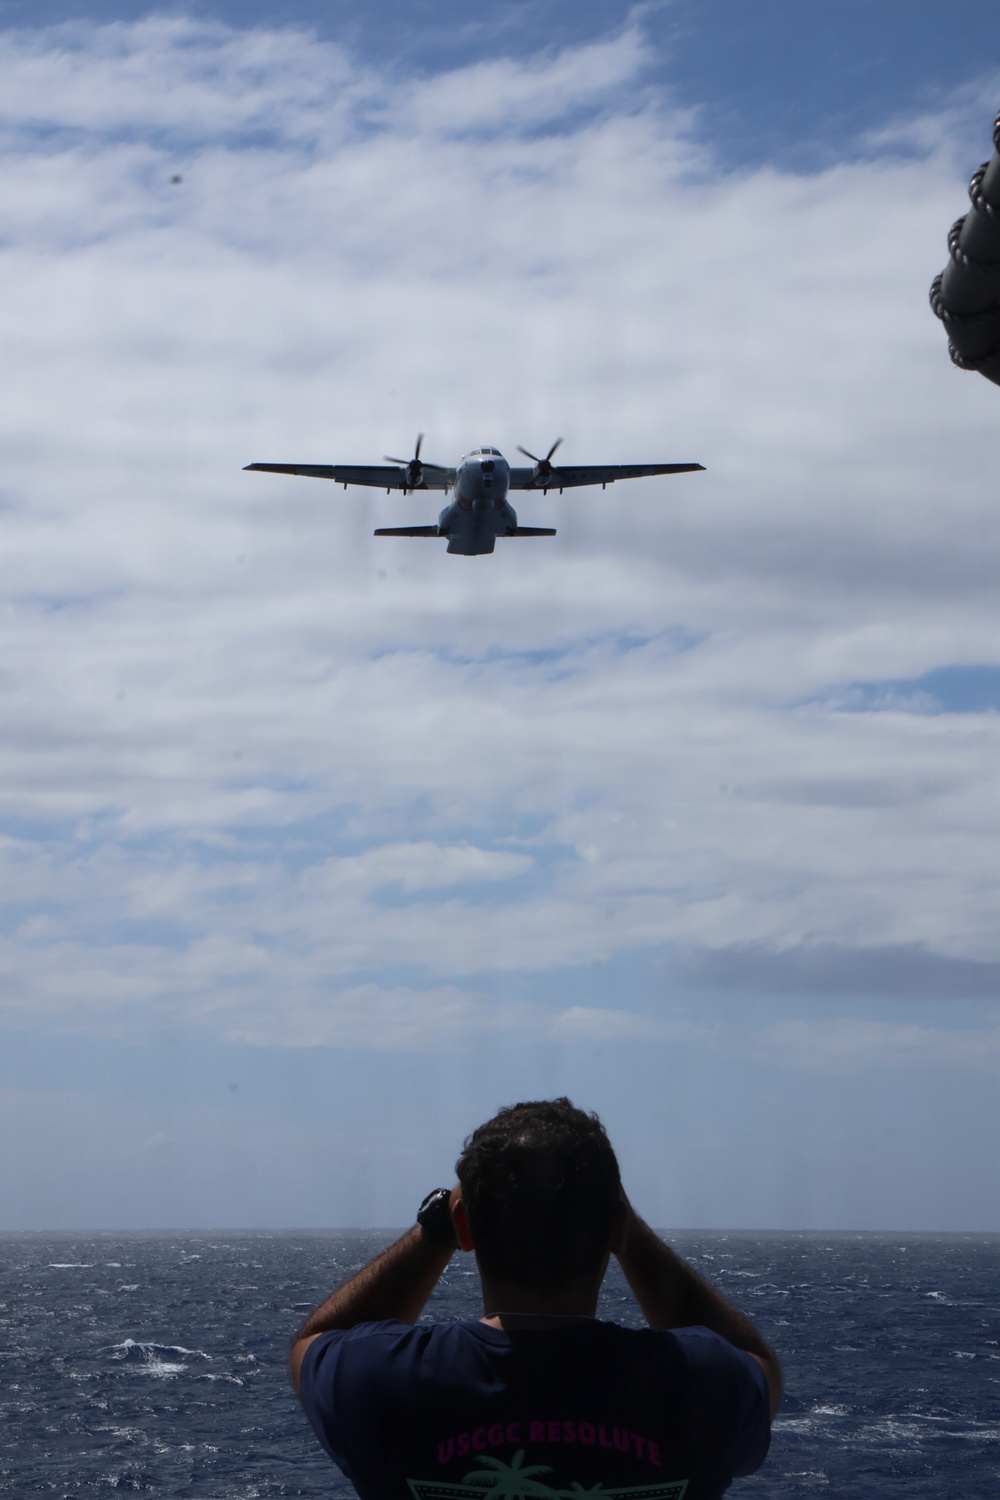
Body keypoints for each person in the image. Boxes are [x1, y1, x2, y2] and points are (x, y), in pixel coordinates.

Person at [290, 1098, 781, 1500]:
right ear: (616, 1227)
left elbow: (314, 1343)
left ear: (466, 1226)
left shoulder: (381, 1379)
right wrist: (623, 1226)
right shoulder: (703, 1382)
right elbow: (760, 1371)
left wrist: (439, 1226)